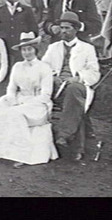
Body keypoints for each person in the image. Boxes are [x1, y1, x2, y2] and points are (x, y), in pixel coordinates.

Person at [0, 32, 58, 167]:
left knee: (14, 114)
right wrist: (13, 100)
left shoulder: (44, 68)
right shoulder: (17, 66)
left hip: (38, 103)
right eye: (24, 50)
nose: (27, 53)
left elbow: (46, 95)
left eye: (30, 49)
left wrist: (25, 103)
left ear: (35, 50)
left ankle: (21, 154)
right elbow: (11, 88)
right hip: (19, 99)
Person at [41, 12, 100, 161]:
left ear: (75, 29)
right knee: (71, 100)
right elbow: (43, 67)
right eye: (61, 28)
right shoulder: (53, 47)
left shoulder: (87, 48)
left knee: (73, 91)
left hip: (78, 86)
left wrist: (78, 77)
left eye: (67, 28)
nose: (63, 31)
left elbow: (94, 73)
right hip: (56, 87)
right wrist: (53, 76)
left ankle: (64, 135)